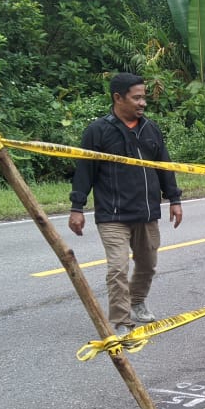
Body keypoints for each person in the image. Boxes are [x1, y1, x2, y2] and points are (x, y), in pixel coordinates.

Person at [69, 72, 183, 334]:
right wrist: (77, 207)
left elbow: (164, 167)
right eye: (137, 98)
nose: (142, 103)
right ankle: (121, 321)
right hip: (113, 214)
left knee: (147, 264)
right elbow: (84, 171)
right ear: (118, 98)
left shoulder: (150, 128)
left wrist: (174, 199)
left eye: (143, 98)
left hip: (146, 212)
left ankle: (137, 301)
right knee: (118, 268)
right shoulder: (98, 132)